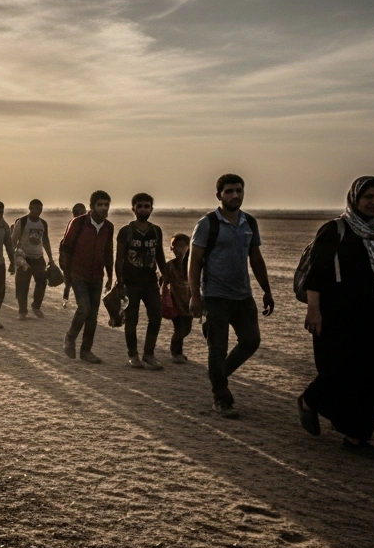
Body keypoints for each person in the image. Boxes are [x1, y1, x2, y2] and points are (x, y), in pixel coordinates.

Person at [296, 177, 374, 461]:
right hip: (336, 312)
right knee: (339, 370)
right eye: (369, 197)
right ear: (354, 199)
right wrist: (314, 310)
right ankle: (309, 401)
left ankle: (356, 437)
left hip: (373, 311)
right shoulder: (335, 230)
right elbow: (317, 275)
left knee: (372, 375)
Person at [189, 174, 274, 418]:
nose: (235, 195)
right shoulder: (207, 224)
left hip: (243, 296)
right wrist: (195, 296)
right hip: (215, 297)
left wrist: (267, 290)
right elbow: (194, 262)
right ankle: (221, 397)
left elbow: (255, 259)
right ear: (219, 195)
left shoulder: (250, 223)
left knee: (251, 340)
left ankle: (219, 374)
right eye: (229, 191)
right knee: (217, 349)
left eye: (239, 190)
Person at [116, 193, 170, 369]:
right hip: (131, 283)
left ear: (151, 209)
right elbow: (119, 258)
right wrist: (119, 281)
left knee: (155, 317)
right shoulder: (126, 231)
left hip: (150, 282)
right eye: (139, 206)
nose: (143, 209)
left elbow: (159, 254)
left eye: (147, 206)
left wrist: (165, 274)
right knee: (131, 320)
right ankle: (133, 355)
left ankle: (149, 354)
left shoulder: (156, 231)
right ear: (133, 209)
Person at [61, 191, 114, 363]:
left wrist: (110, 276)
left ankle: (86, 351)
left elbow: (108, 252)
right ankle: (70, 337)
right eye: (100, 204)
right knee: (84, 308)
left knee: (93, 315)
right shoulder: (78, 223)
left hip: (97, 276)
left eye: (106, 205)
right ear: (92, 206)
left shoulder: (108, 227)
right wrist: (67, 274)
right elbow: (65, 249)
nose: (103, 208)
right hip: (78, 274)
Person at [11, 199, 55, 319]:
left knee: (42, 282)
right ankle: (22, 311)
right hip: (24, 258)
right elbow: (13, 240)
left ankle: (36, 306)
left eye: (40, 208)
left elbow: (45, 241)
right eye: (35, 208)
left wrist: (50, 257)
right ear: (30, 208)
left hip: (38, 258)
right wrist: (13, 258)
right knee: (22, 285)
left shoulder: (43, 223)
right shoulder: (22, 222)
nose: (37, 211)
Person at [161, 233, 193, 364]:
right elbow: (163, 280)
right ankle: (176, 353)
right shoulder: (170, 265)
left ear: (188, 247)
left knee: (187, 329)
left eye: (181, 246)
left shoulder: (193, 264)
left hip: (190, 302)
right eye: (174, 246)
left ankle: (178, 351)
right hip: (175, 302)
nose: (177, 249)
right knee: (179, 329)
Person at [62, 202, 86, 306]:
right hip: (70, 257)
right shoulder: (74, 223)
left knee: (73, 282)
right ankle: (66, 300)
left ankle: (68, 301)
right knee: (69, 282)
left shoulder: (82, 224)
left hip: (76, 258)